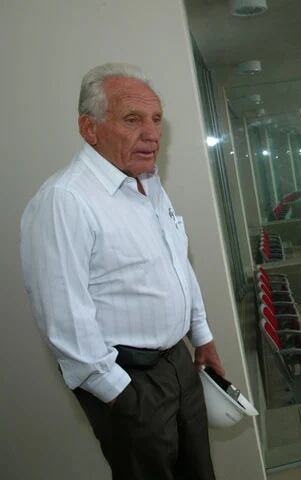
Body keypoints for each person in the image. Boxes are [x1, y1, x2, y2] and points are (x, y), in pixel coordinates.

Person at [20, 63, 224, 480]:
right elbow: (64, 319)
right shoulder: (65, 200)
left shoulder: (147, 183)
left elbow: (175, 264)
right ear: (89, 128)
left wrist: (201, 336)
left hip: (179, 366)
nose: (152, 134)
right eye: (133, 120)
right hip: (129, 379)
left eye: (156, 120)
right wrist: (122, 397)